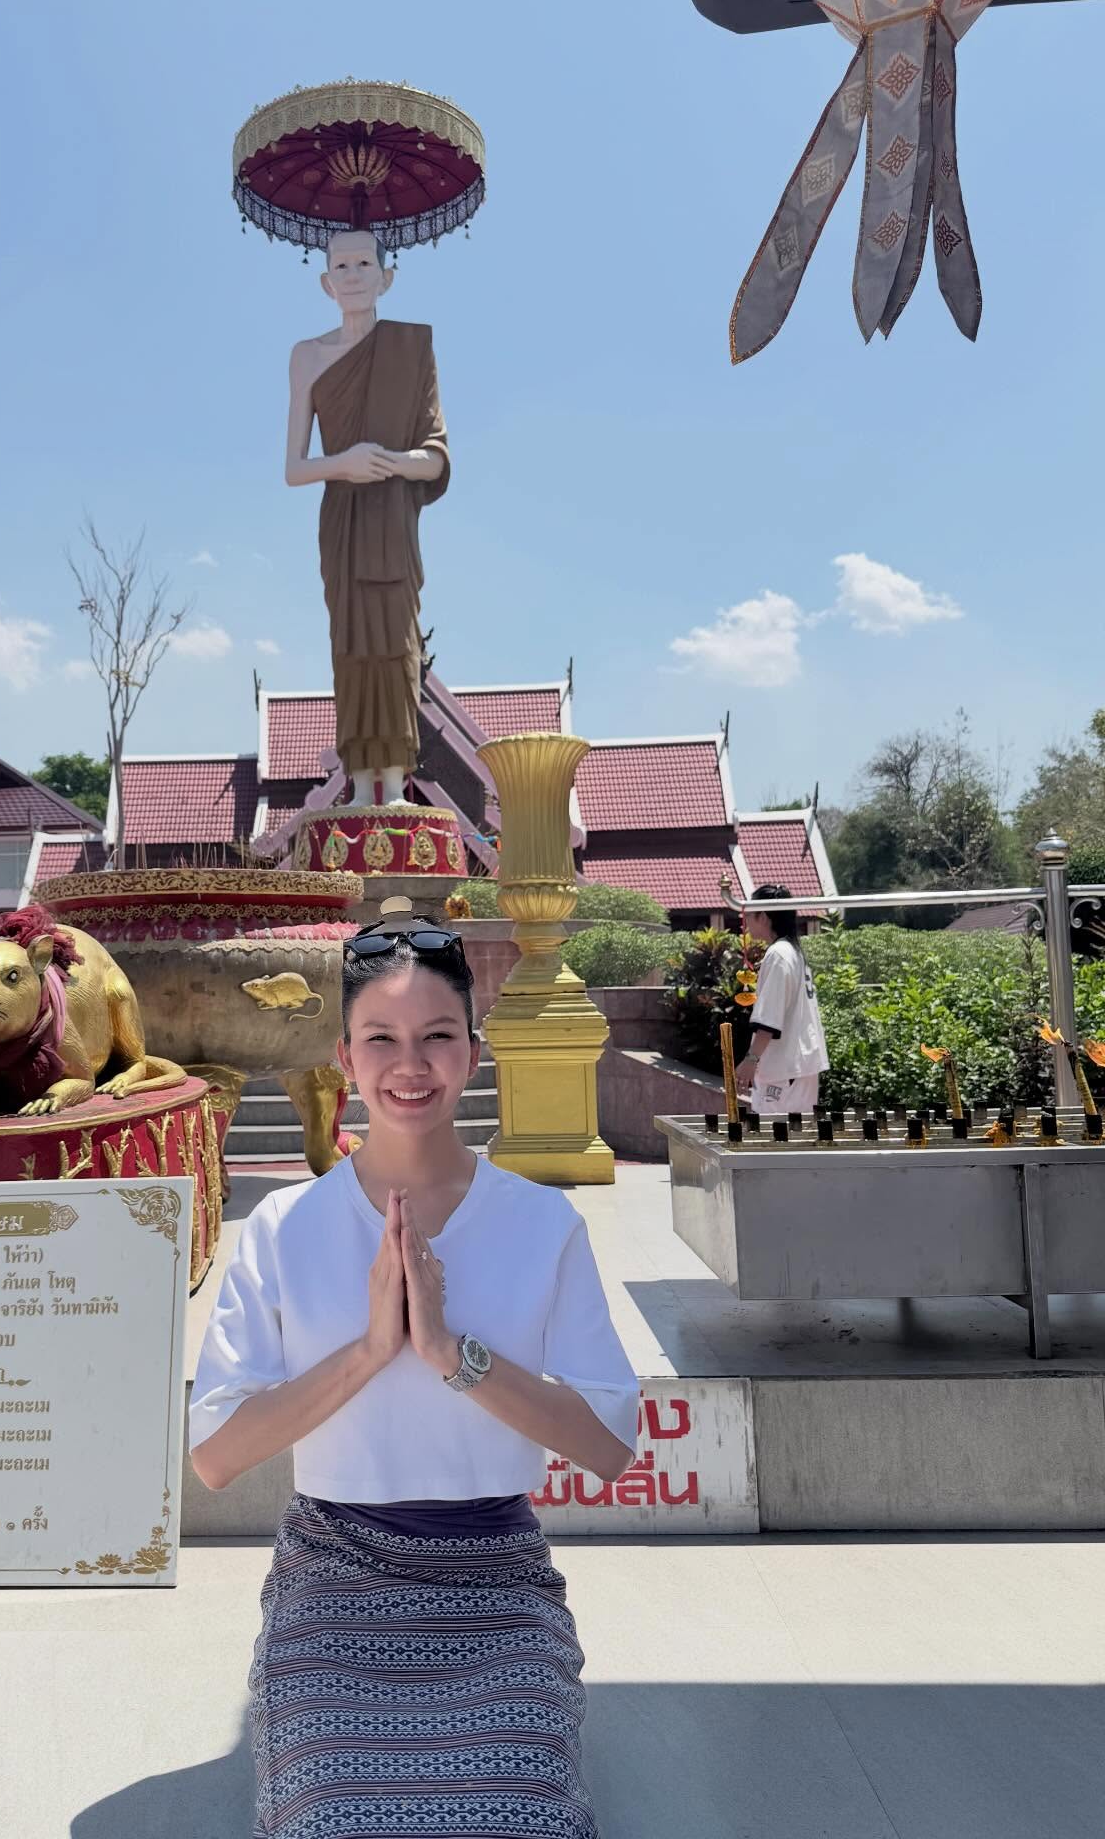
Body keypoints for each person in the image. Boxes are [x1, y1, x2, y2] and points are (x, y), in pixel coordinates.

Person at [189, 917, 639, 1838]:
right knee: (331, 1814)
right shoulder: (283, 1227)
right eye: (381, 1039)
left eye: (437, 1036)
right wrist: (368, 1350)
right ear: (344, 1058)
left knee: (521, 1813)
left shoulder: (541, 1223)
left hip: (495, 1580)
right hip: (335, 1579)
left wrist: (449, 1353)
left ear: (472, 1051)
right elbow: (216, 1457)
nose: (410, 1065)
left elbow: (608, 1445)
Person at [284, 229, 449, 808]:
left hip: (394, 520)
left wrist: (393, 462)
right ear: (326, 282)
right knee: (351, 646)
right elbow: (294, 468)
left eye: (364, 263)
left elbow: (436, 457)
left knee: (397, 645)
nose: (352, 274)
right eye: (341, 266)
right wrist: (346, 463)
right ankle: (359, 783)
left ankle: (395, 783)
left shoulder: (412, 347)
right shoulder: (307, 355)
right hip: (345, 521)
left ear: (387, 277)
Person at [736, 881, 829, 1116]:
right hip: (800, 1065)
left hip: (785, 1068)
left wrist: (751, 1059)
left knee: (776, 1133)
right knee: (797, 1132)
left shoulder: (778, 955)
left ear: (764, 917)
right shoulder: (793, 952)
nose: (746, 922)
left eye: (750, 915)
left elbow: (769, 1019)